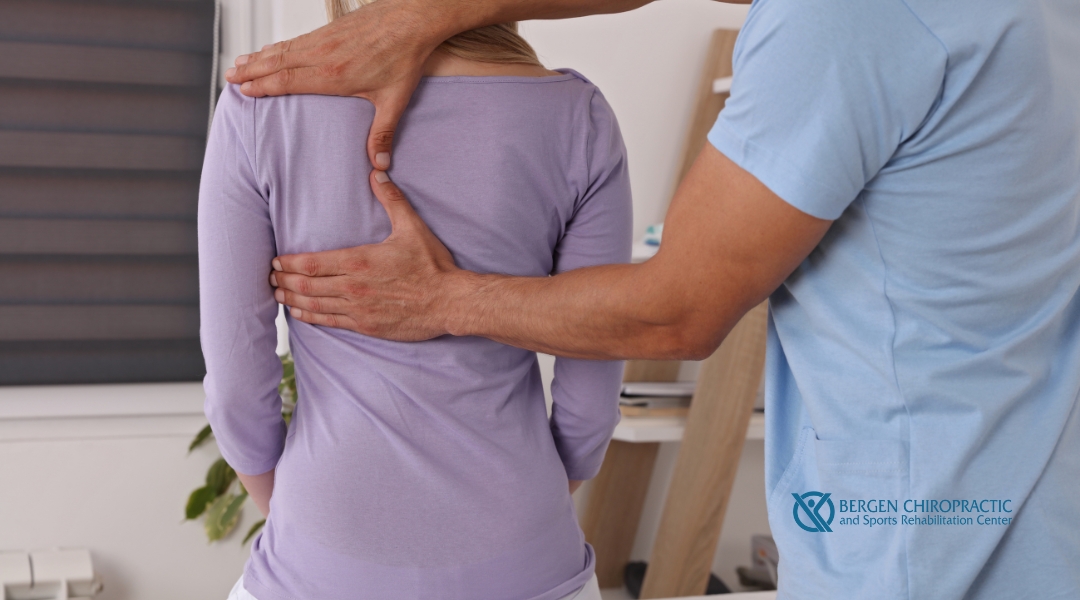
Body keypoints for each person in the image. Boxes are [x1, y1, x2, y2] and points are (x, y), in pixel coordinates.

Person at [226, 0, 1080, 598]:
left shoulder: (258, 109)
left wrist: (436, 303)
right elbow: (589, 407)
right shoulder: (579, 117)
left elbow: (673, 309)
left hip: (920, 550)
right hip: (1038, 517)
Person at [199, 1, 633, 598]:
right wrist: (528, 506)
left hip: (323, 548)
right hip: (527, 554)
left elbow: (235, 375)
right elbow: (594, 377)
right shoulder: (578, 118)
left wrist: (297, 510)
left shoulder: (261, 107)